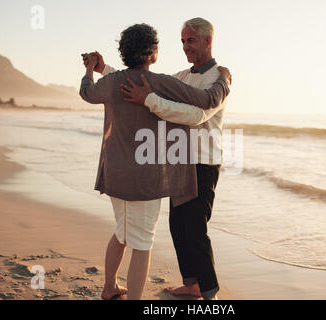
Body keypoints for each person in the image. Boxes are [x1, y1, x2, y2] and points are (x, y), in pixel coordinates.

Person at [79, 23, 230, 300]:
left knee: (182, 230)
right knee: (160, 234)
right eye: (182, 41)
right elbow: (201, 98)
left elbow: (197, 113)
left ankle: (206, 293)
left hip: (179, 163)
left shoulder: (215, 76)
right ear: (152, 51)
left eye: (190, 40)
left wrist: (94, 71)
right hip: (163, 168)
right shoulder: (174, 79)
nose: (185, 46)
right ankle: (186, 285)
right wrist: (109, 72)